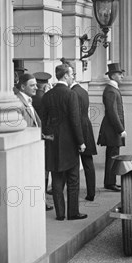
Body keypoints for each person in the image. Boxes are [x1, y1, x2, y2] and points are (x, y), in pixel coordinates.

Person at [40, 63, 87, 221]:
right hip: (69, 143)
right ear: (65, 75)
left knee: (57, 179)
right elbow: (75, 121)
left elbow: (44, 121)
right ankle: (73, 213)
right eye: (72, 74)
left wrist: (48, 135)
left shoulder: (47, 95)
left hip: (53, 143)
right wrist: (81, 141)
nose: (73, 76)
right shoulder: (70, 94)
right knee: (73, 179)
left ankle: (60, 214)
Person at [15, 73, 53, 211]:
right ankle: (34, 205)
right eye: (32, 85)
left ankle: (38, 203)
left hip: (37, 145)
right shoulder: (18, 102)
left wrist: (44, 135)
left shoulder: (28, 100)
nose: (36, 88)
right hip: (27, 149)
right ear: (23, 86)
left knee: (37, 176)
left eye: (36, 85)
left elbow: (36, 123)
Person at [97, 62, 126, 192]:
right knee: (112, 156)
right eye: (120, 74)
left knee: (113, 155)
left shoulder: (112, 89)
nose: (122, 77)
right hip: (112, 129)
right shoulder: (110, 90)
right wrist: (121, 129)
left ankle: (111, 181)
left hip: (112, 128)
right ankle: (110, 183)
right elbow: (112, 112)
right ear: (113, 76)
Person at [71, 74, 97, 202]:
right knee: (88, 163)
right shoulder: (82, 90)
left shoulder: (73, 92)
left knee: (74, 163)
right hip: (86, 127)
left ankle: (75, 193)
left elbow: (74, 116)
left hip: (78, 129)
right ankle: (91, 192)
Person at [33, 71, 53, 195]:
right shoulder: (44, 98)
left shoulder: (33, 97)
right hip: (45, 135)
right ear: (46, 84)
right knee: (45, 167)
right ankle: (43, 193)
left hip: (36, 135)